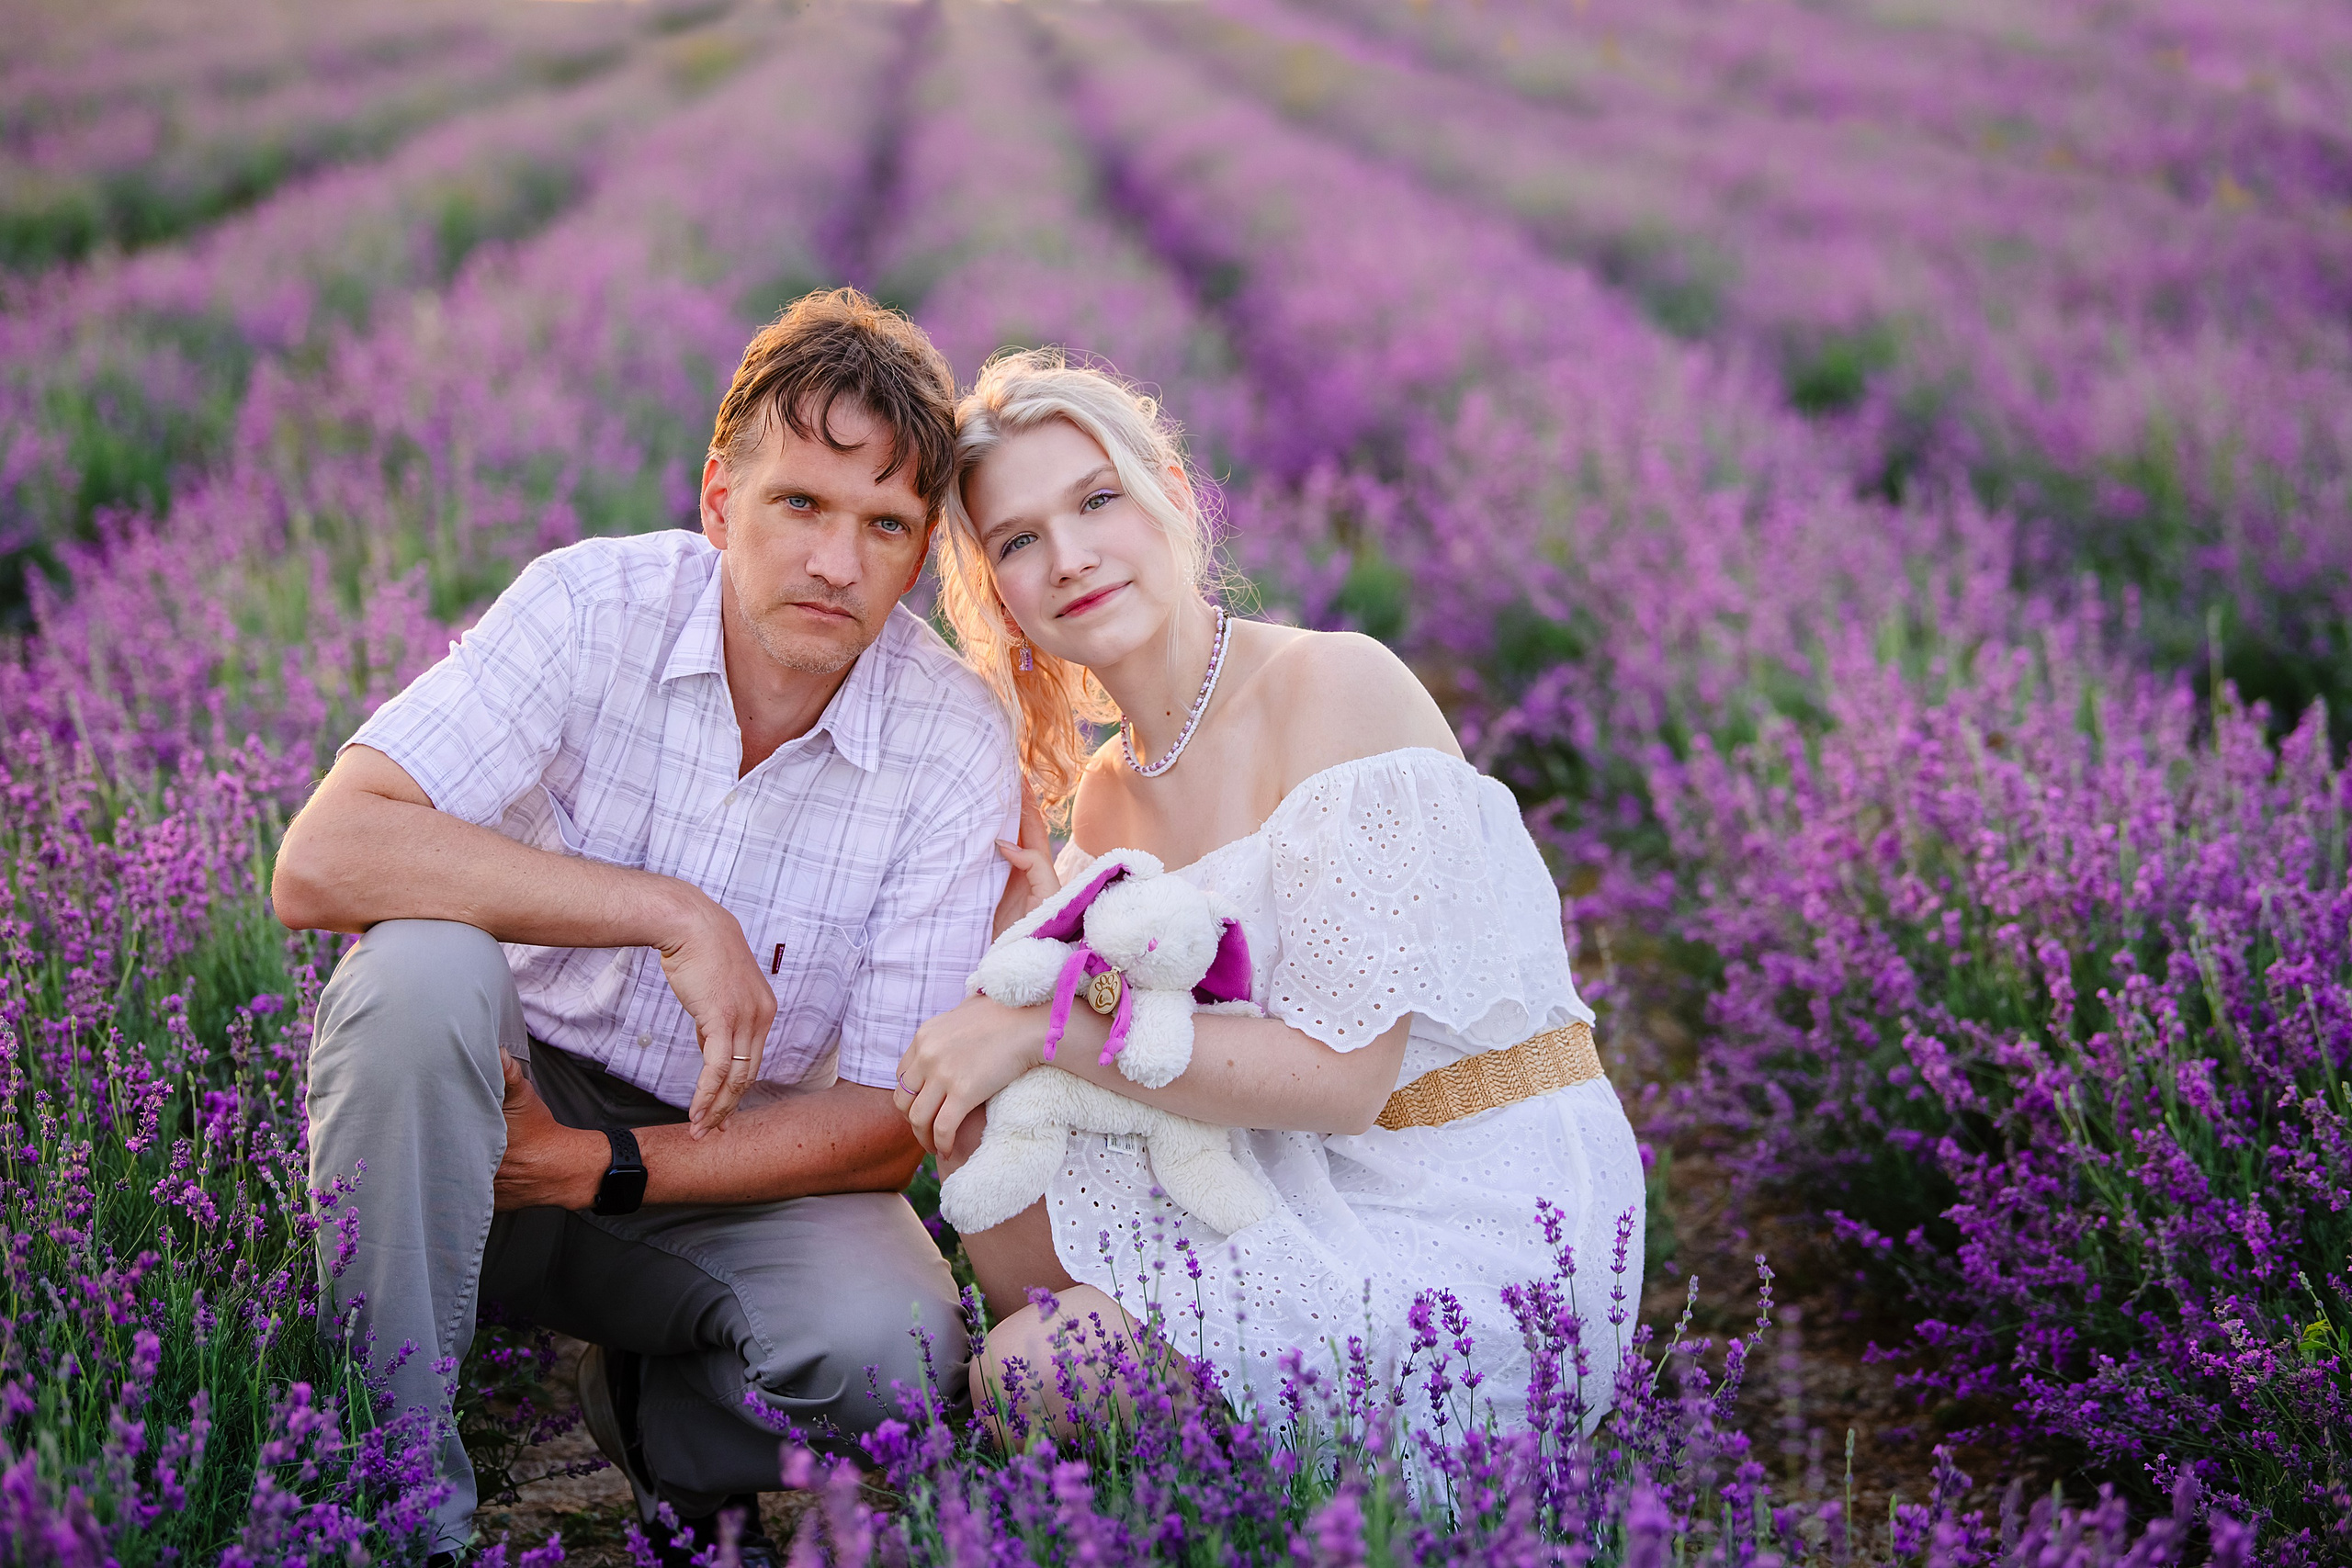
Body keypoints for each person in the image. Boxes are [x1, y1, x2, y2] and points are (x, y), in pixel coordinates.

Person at [277, 289, 1021, 1563]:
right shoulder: (591, 606)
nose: (836, 563)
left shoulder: (952, 742)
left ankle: (663, 1427)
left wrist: (589, 1164)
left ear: (918, 559)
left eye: (885, 525)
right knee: (416, 975)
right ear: (721, 499)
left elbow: (886, 1124)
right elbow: (323, 857)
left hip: (724, 1160)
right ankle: (401, 1506)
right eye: (800, 504)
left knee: (891, 1352)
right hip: (478, 1111)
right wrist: (666, 911)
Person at [893, 350, 1645, 1438]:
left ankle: (1138, 1450)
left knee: (1030, 1376)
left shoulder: (1333, 688)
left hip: (1471, 1199)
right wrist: (1020, 972)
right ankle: (1129, 1464)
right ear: (999, 596)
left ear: (1170, 497)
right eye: (1018, 540)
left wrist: (1045, 1022)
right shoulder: (1104, 801)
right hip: (1284, 1180)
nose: (1070, 557)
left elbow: (1345, 1082)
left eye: (1097, 500)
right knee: (980, 1123)